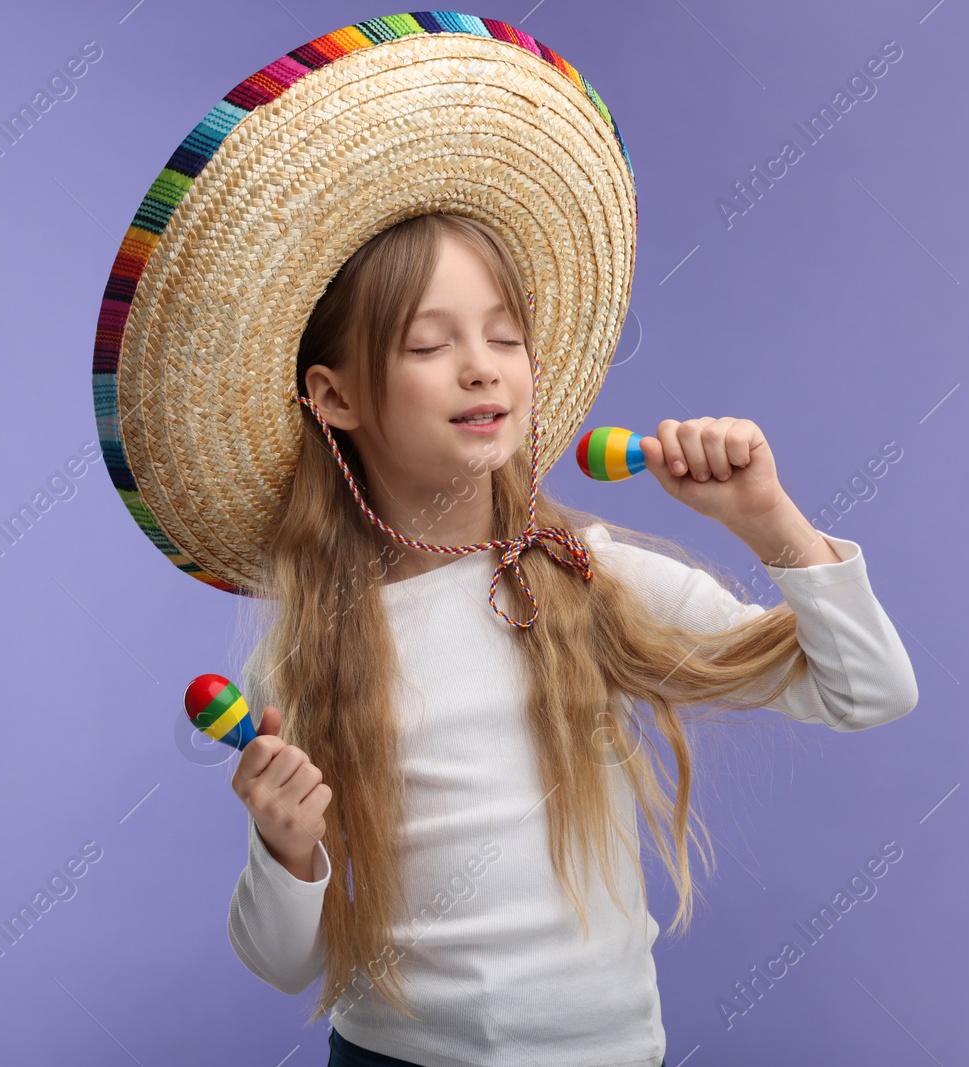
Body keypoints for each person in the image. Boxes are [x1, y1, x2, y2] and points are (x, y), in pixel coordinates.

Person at [88, 14, 917, 1067]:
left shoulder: (593, 577)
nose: (482, 367)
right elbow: (278, 960)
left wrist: (770, 522)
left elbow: (870, 690)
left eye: (505, 336)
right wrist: (283, 844)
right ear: (333, 397)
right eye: (429, 343)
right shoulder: (310, 645)